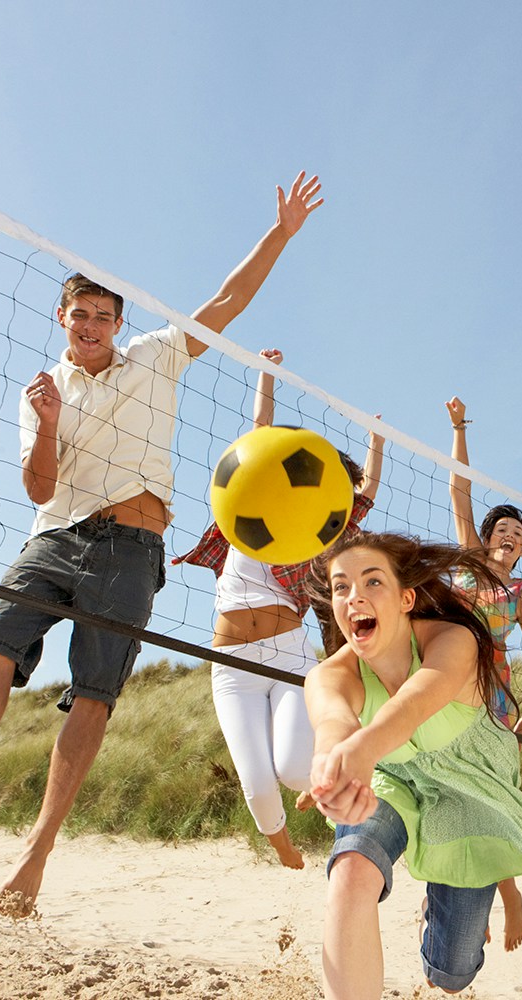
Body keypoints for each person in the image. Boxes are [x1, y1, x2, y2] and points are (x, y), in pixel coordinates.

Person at [0, 173, 325, 906]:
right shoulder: (43, 392)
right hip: (55, 534)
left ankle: (34, 857)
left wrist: (280, 235)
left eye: (103, 314)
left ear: (118, 323)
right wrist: (53, 424)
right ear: (62, 317)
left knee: (93, 696)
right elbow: (37, 488)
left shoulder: (157, 358)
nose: (91, 325)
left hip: (131, 547)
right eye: (80, 314)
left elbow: (225, 302)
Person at [303, 532, 522, 1000]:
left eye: (372, 581)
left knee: (450, 974)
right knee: (351, 873)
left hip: (470, 790)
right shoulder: (329, 675)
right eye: (341, 587)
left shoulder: (454, 640)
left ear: (406, 598)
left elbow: (411, 706)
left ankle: (437, 924)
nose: (354, 596)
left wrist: (359, 752)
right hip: (395, 776)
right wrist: (331, 765)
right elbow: (332, 722)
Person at [171, 347, 383, 869]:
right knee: (258, 782)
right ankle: (282, 846)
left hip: (290, 656)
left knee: (293, 769)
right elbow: (257, 434)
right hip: (234, 663)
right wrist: (266, 374)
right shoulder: (244, 512)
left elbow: (364, 494)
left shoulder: (315, 539)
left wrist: (378, 441)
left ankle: (338, 814)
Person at [444, 394, 522, 951]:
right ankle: (459, 900)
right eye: (502, 527)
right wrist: (460, 426)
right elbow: (460, 486)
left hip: (496, 700)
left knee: (491, 798)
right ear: (487, 538)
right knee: (445, 794)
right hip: (446, 689)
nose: (509, 534)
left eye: (518, 533)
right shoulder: (466, 562)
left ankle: (504, 892)